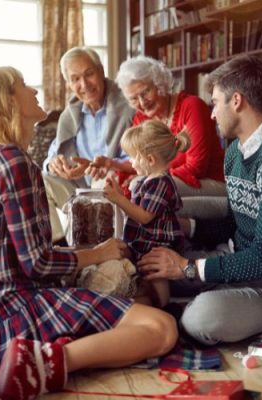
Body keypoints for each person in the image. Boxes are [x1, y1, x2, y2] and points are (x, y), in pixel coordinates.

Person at [0, 67, 177, 400]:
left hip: (8, 302)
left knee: (136, 302)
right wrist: (100, 252)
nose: (33, 89)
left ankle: (44, 354)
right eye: (22, 86)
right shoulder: (13, 162)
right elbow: (38, 263)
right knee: (162, 328)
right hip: (19, 307)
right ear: (7, 102)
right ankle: (41, 363)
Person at [137, 55, 262, 346]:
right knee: (150, 272)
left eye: (214, 102)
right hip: (233, 257)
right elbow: (235, 223)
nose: (211, 114)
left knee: (201, 318)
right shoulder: (235, 152)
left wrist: (186, 267)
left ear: (236, 101)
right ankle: (186, 305)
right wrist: (187, 227)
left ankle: (187, 311)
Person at [86, 56, 226, 217]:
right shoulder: (141, 119)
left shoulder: (192, 106)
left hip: (209, 181)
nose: (142, 102)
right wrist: (112, 164)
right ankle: (117, 238)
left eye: (145, 92)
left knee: (141, 186)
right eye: (133, 98)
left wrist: (149, 177)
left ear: (160, 84)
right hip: (172, 179)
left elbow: (196, 167)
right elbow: (143, 161)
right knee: (111, 182)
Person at [42, 46, 135, 243]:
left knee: (103, 180)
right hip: (79, 190)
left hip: (112, 184)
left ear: (101, 71)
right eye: (75, 79)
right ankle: (59, 247)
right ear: (69, 83)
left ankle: (107, 248)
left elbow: (138, 156)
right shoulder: (70, 114)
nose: (84, 84)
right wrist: (54, 165)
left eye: (89, 74)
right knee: (41, 182)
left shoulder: (127, 105)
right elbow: (53, 154)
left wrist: (107, 164)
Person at [103, 120, 190, 307]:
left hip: (157, 244)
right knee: (141, 272)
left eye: (133, 157)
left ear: (150, 160)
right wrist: (119, 194)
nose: (130, 163)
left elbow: (144, 216)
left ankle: (165, 306)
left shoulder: (160, 183)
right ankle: (141, 297)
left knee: (155, 273)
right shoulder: (146, 180)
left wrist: (119, 199)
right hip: (143, 240)